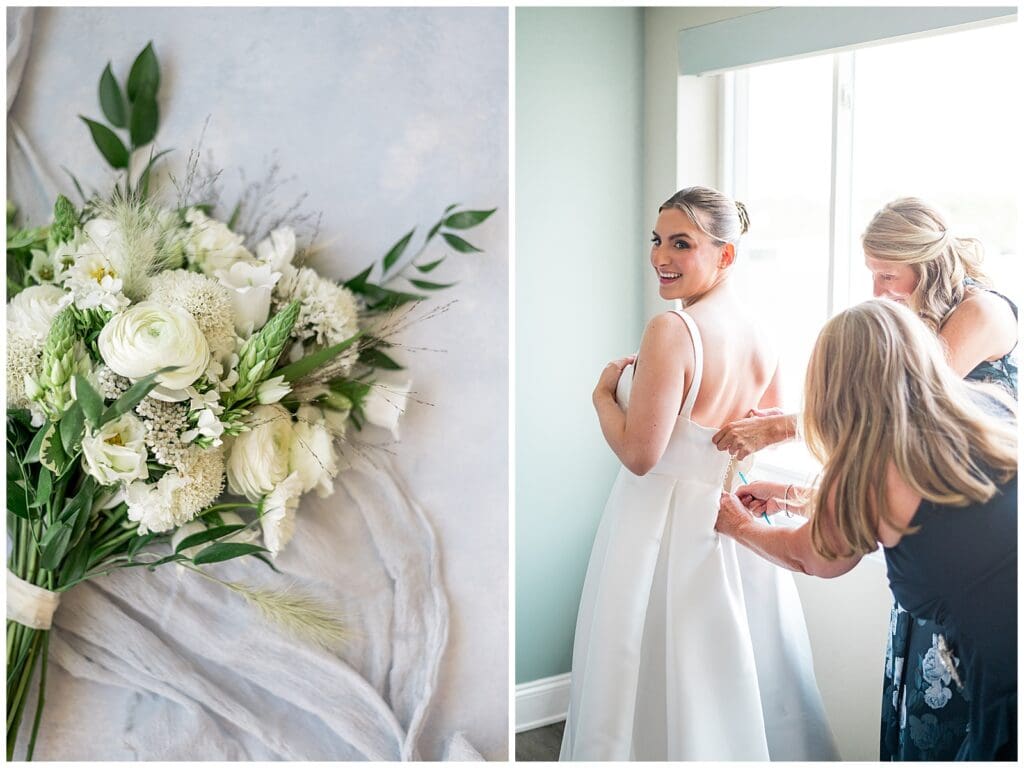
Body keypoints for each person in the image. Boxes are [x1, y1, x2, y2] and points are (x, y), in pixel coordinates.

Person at [711, 197, 1017, 760]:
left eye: (886, 275)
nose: (878, 288)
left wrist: (735, 524)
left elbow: (819, 556)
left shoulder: (892, 454)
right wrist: (788, 494)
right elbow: (895, 513)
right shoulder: (986, 413)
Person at [559, 187, 838, 761]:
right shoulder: (763, 330)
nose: (661, 256)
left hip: (656, 527)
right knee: (729, 673)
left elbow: (641, 455)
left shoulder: (673, 330)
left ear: (726, 255)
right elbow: (761, 426)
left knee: (640, 670)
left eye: (681, 244)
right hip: (730, 518)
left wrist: (602, 397)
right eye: (657, 241)